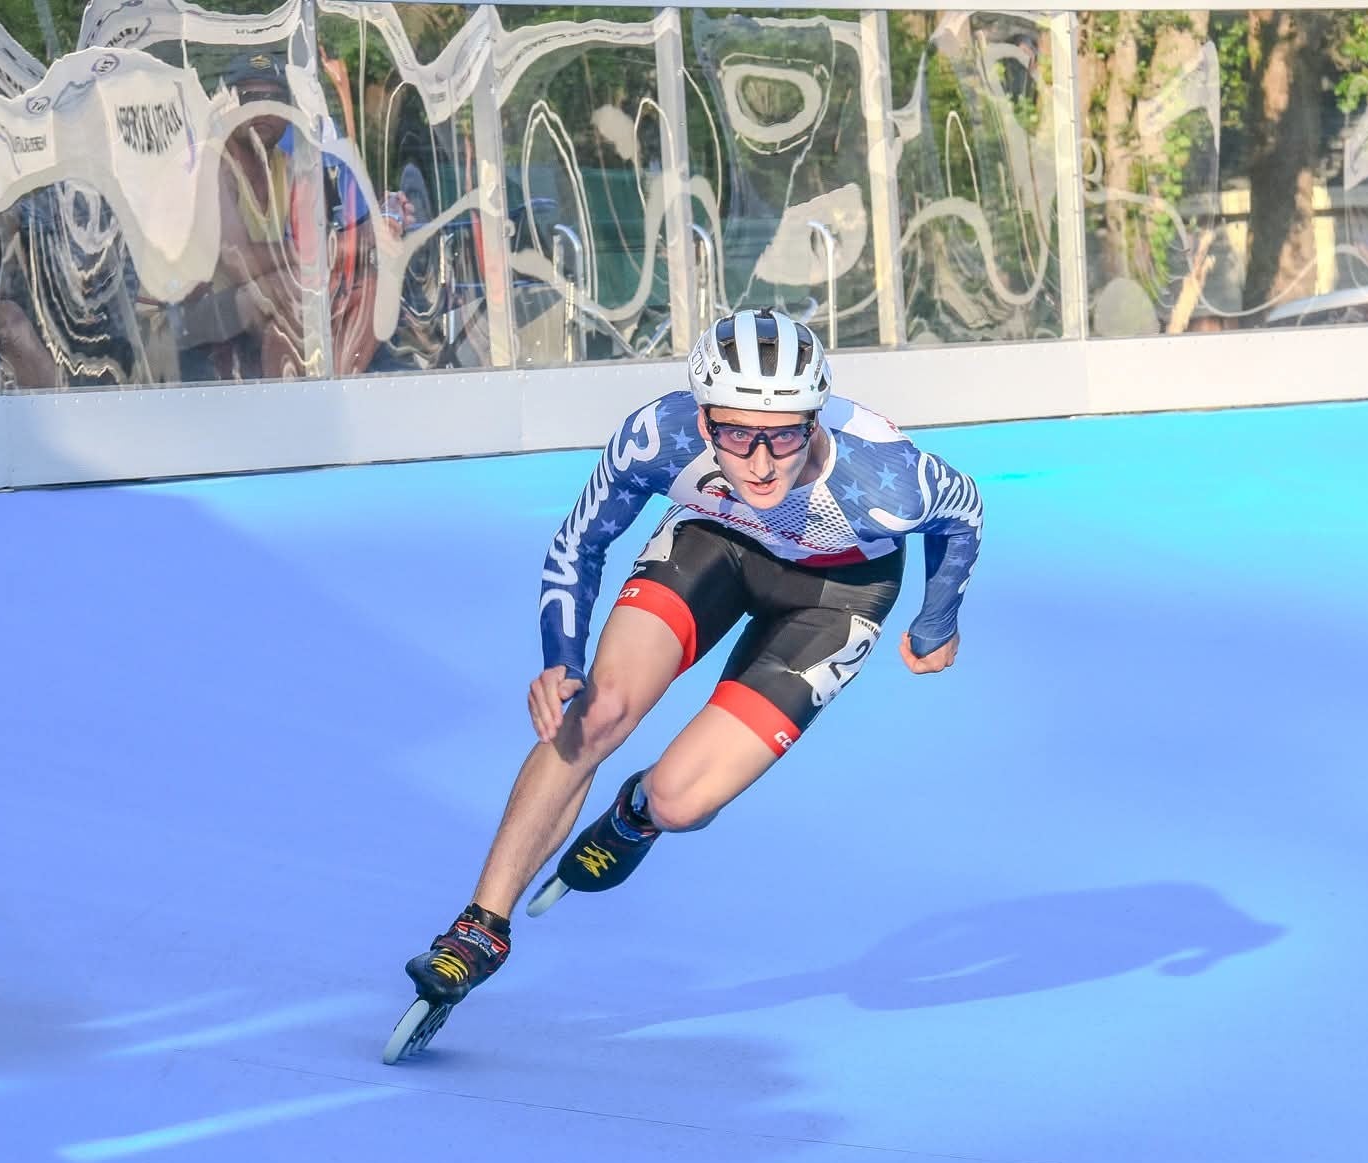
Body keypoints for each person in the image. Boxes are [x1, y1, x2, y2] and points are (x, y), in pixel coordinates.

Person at [402, 308, 985, 1009]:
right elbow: (580, 543)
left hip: (838, 592)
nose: (761, 464)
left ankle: (638, 812)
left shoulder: (887, 477)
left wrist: (935, 620)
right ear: (704, 422)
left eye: (784, 436)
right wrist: (562, 656)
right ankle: (479, 929)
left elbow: (963, 512)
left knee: (681, 802)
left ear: (814, 422)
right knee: (595, 714)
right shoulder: (660, 436)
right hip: (716, 542)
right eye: (737, 435)